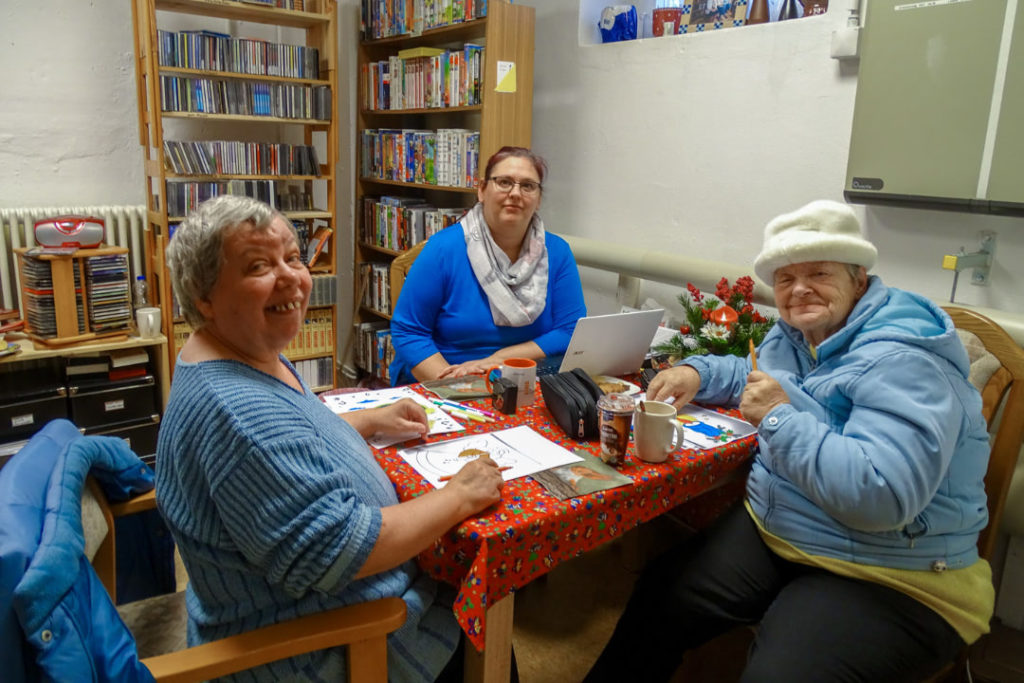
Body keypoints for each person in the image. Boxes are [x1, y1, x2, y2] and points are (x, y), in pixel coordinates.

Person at [585, 200, 994, 682]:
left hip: (894, 571)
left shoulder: (904, 359)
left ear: (858, 279)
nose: (799, 289)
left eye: (819, 272)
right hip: (785, 530)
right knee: (661, 595)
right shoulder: (798, 335)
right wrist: (697, 371)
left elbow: (882, 496)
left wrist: (779, 418)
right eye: (785, 278)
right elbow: (758, 374)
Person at [157, 195, 506, 682]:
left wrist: (367, 420)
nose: (292, 279)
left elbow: (291, 436)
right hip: (322, 648)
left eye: (294, 258)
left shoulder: (231, 353)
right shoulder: (239, 415)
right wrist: (459, 495)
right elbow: (344, 551)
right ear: (203, 296)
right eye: (259, 265)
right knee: (487, 625)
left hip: (290, 605)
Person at [388, 146, 587, 385]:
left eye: (527, 186)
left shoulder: (557, 252)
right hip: (450, 377)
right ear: (482, 190)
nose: (515, 193)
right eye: (504, 182)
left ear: (539, 198)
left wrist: (500, 359)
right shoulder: (443, 250)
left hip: (523, 378)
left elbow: (570, 330)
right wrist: (454, 385)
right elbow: (409, 333)